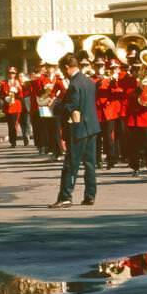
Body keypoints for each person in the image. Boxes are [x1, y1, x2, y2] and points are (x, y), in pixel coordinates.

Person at [50, 53, 101, 209]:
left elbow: (71, 106)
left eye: (62, 69)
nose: (63, 73)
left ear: (67, 67)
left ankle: (65, 197)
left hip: (78, 128)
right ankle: (90, 196)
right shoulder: (89, 81)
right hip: (92, 126)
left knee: (71, 164)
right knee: (90, 163)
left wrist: (55, 105)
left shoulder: (74, 85)